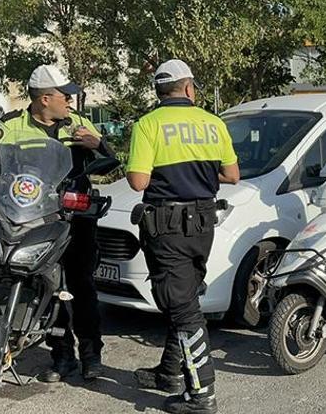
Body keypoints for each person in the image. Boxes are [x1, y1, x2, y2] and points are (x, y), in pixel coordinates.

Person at [0, 64, 113, 382]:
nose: (69, 100)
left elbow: (110, 163)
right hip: (32, 221)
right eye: (64, 95)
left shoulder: (78, 124)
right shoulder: (9, 127)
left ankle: (92, 356)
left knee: (81, 286)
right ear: (44, 99)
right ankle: (62, 355)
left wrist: (98, 146)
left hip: (76, 219)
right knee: (47, 289)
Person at [127, 59, 239, 414]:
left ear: (159, 92)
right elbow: (232, 174)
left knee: (183, 308)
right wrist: (197, 173)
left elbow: (138, 181)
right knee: (186, 297)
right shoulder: (213, 123)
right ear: (189, 89)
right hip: (202, 223)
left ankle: (202, 395)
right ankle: (170, 372)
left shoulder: (147, 125)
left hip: (167, 225)